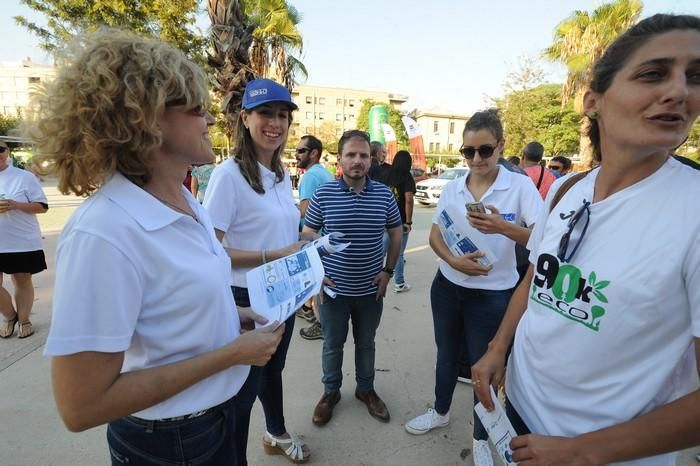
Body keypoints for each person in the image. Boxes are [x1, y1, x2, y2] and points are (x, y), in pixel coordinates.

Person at [35, 29, 284, 466]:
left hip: (216, 420)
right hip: (171, 442)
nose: (209, 120)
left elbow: (169, 305)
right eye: (196, 108)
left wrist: (229, 316)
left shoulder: (185, 199)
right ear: (146, 118)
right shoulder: (105, 232)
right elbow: (81, 406)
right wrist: (231, 353)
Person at [473, 14, 700, 466]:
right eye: (653, 73)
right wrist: (499, 348)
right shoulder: (567, 188)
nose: (680, 91)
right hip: (515, 413)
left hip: (602, 451)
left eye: (696, 77)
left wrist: (582, 451)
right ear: (593, 99)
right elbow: (537, 278)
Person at [404, 110, 542, 466]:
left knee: (484, 368)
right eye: (469, 152)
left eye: (485, 150)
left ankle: (482, 437)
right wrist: (451, 261)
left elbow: (546, 241)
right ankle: (441, 410)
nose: (477, 159)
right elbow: (435, 235)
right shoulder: (453, 187)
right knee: (446, 355)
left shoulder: (520, 187)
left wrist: (503, 228)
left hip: (494, 296)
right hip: (448, 287)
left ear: (501, 147)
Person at [203, 77, 311, 464]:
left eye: (283, 115)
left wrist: (306, 261)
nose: (276, 123)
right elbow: (210, 250)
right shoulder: (228, 175)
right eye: (266, 113)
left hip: (283, 293)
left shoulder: (281, 175)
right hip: (244, 297)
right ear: (245, 117)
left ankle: (275, 432)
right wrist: (276, 253)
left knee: (273, 370)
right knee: (240, 391)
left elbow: (283, 232)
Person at [303, 130, 402, 426]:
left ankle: (366, 390)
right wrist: (316, 275)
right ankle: (330, 392)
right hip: (333, 291)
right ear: (340, 158)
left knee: (366, 343)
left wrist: (388, 271)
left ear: (371, 159)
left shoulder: (384, 194)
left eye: (363, 155)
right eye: (351, 155)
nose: (358, 161)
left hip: (370, 291)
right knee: (332, 345)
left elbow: (396, 232)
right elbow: (308, 235)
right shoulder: (324, 194)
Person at [0, 140, 48, 339]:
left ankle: (25, 319)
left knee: (22, 279)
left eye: (0, 151)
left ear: (7, 152)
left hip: (20, 240)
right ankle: (10, 316)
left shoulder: (24, 178)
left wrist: (16, 205)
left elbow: (42, 206)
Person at [295, 134, 334, 341]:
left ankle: (321, 324)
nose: (296, 154)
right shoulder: (323, 173)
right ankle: (314, 314)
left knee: (317, 282)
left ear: (314, 153)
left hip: (315, 240)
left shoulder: (310, 176)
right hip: (326, 240)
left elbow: (305, 211)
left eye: (301, 150)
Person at [383, 150, 416, 292]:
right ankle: (399, 283)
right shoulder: (407, 177)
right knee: (399, 253)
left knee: (381, 251)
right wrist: (408, 222)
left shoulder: (387, 173)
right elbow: (408, 200)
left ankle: (372, 277)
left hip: (385, 219)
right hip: (400, 222)